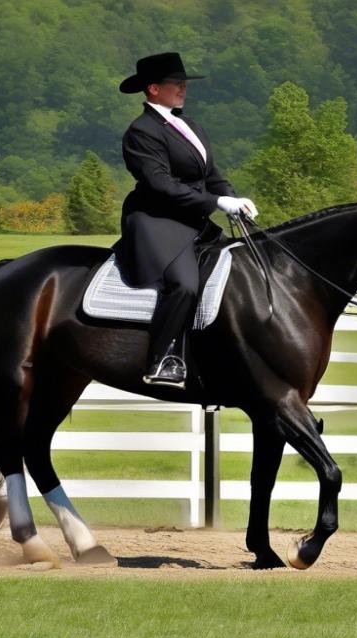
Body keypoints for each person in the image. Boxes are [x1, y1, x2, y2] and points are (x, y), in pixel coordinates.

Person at [114, 52, 257, 389]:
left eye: (183, 83)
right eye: (175, 84)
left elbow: (212, 174)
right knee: (185, 284)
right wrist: (217, 201)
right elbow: (162, 186)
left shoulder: (189, 125)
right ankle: (160, 358)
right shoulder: (141, 132)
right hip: (156, 221)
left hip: (193, 219)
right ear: (152, 89)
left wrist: (234, 200)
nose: (183, 89)